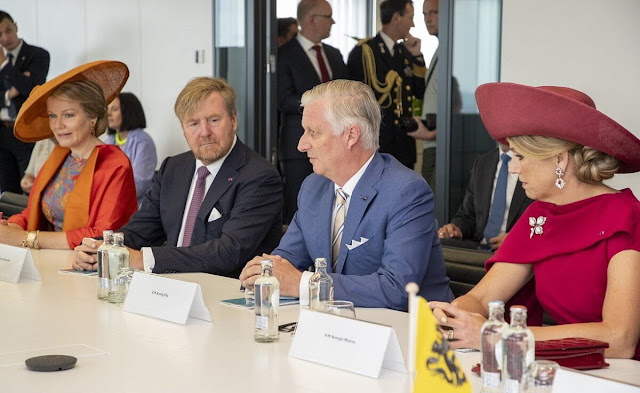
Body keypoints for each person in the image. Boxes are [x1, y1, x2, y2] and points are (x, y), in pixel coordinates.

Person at [430, 82, 640, 359]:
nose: (513, 168)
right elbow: (481, 297)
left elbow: (620, 338)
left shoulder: (627, 215)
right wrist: (455, 316)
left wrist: (499, 335)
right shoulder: (538, 216)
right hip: (554, 367)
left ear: (559, 160)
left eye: (520, 156)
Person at [240, 80, 453, 311]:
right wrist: (264, 272)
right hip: (341, 328)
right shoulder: (314, 187)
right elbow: (286, 261)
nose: (301, 144)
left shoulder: (406, 191)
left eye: (313, 132)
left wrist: (304, 283)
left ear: (351, 135)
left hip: (413, 332)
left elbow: (397, 289)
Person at [74, 77, 283, 278]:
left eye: (214, 120)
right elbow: (140, 231)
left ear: (234, 120)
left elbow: (228, 252)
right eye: (193, 123)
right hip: (170, 290)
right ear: (183, 129)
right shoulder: (173, 168)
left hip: (224, 296)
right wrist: (98, 247)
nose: (204, 132)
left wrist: (143, 259)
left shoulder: (259, 176)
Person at [0, 61, 136, 249]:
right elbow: (31, 213)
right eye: (53, 116)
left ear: (92, 117)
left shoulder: (114, 163)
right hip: (47, 260)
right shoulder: (59, 154)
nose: (57, 125)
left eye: (69, 115)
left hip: (88, 267)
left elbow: (102, 235)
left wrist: (29, 239)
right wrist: (9, 228)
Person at [278, 0, 348, 224]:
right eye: (328, 16)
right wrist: (323, 105)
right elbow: (284, 99)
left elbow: (347, 93)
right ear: (312, 20)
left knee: (334, 203)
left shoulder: (334, 55)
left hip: (337, 142)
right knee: (299, 204)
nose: (333, 21)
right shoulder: (283, 55)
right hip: (299, 143)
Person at [347, 0, 426, 169]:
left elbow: (420, 92)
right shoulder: (365, 51)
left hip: (403, 144)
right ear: (397, 17)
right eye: (410, 17)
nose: (412, 24)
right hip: (376, 142)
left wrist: (417, 55)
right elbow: (352, 99)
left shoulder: (405, 52)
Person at [438, 143, 533, 251]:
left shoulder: (535, 162)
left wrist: (517, 238)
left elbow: (547, 220)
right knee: (438, 245)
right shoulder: (483, 161)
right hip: (479, 247)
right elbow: (468, 214)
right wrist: (456, 228)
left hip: (515, 251)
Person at [0, 10, 50, 194]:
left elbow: (32, 88)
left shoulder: (38, 55)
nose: (5, 38)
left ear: (16, 26)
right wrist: (8, 94)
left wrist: (5, 66)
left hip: (27, 132)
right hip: (3, 131)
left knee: (31, 190)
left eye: (8, 30)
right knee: (7, 193)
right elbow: (22, 84)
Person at [407, 0, 438, 191]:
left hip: (440, 145)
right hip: (432, 144)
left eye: (433, 12)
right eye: (425, 14)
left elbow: (458, 105)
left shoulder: (455, 51)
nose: (428, 19)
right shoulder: (439, 50)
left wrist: (434, 133)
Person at [105, 92, 157, 204]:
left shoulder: (143, 141)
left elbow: (140, 183)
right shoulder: (109, 140)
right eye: (108, 109)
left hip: (137, 205)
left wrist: (110, 197)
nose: (108, 114)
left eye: (114, 109)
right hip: (112, 202)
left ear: (127, 112)